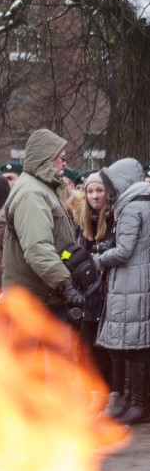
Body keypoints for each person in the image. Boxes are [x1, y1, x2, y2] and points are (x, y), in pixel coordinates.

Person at [91, 158, 150, 425]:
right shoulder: (144, 203)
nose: (108, 191)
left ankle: (136, 403)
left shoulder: (131, 207)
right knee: (133, 343)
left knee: (132, 344)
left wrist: (98, 258)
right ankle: (131, 401)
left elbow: (124, 251)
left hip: (131, 284)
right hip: (138, 282)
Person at [1, 129, 80, 316]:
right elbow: (37, 246)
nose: (65, 162)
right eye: (61, 158)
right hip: (34, 301)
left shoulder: (40, 187)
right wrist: (65, 283)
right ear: (47, 158)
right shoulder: (32, 193)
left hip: (40, 294)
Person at [73, 171, 114, 396]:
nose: (95, 196)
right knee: (87, 346)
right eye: (90, 191)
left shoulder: (115, 218)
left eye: (99, 190)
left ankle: (110, 392)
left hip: (109, 293)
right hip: (87, 294)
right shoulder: (81, 221)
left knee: (107, 349)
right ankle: (94, 392)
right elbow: (74, 251)